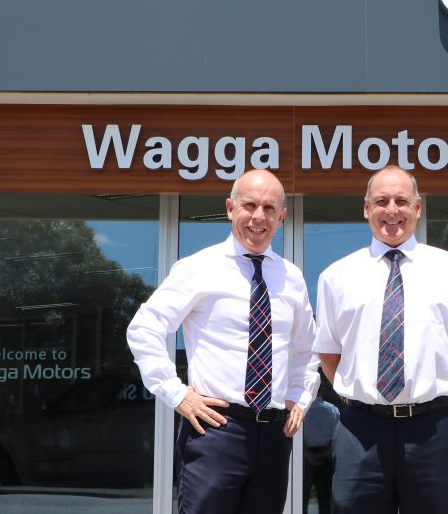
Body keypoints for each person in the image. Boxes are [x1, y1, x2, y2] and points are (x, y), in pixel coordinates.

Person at [127, 169, 319, 514]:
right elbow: (144, 328)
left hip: (274, 436)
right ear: (230, 208)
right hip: (216, 431)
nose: (258, 217)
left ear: (282, 217)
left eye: (269, 208)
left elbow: (306, 349)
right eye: (249, 205)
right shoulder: (198, 267)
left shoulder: (291, 277)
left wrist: (298, 398)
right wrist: (177, 393)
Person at [314, 166, 448, 514]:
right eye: (381, 201)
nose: (392, 210)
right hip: (360, 432)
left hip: (434, 430)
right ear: (366, 208)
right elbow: (329, 354)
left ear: (418, 207)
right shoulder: (335, 277)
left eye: (401, 200)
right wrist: (361, 398)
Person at [302, 396, 340, 514]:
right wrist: (327, 451)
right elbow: (337, 435)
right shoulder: (332, 409)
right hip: (327, 454)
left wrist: (306, 453)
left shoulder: (301, 410)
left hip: (305, 455)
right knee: (326, 499)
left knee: (302, 497)